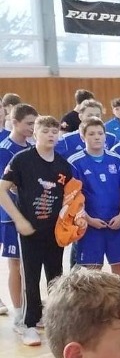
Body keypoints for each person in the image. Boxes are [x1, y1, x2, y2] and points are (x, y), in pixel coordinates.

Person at [0, 115, 75, 348]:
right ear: (35, 134)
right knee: (31, 277)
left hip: (54, 231)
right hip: (29, 230)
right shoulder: (22, 160)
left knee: (56, 276)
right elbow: (2, 190)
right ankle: (28, 323)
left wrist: (72, 220)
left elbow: (71, 197)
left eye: (54, 131)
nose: (51, 135)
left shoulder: (63, 165)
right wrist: (19, 219)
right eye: (45, 131)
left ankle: (53, 320)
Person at [70, 117, 120, 277]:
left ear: (105, 136)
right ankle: (93, 296)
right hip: (90, 226)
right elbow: (73, 197)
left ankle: (119, 295)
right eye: (91, 134)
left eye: (100, 133)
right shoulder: (75, 162)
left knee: (119, 268)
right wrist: (89, 219)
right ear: (82, 137)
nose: (97, 137)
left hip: (116, 223)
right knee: (92, 270)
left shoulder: (116, 159)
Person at [0, 103, 37, 330]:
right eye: (29, 124)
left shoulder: (31, 146)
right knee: (16, 264)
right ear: (14, 122)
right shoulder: (4, 150)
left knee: (29, 265)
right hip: (11, 216)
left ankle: (30, 308)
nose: (33, 128)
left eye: (34, 123)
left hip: (31, 214)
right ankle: (18, 312)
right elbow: (5, 187)